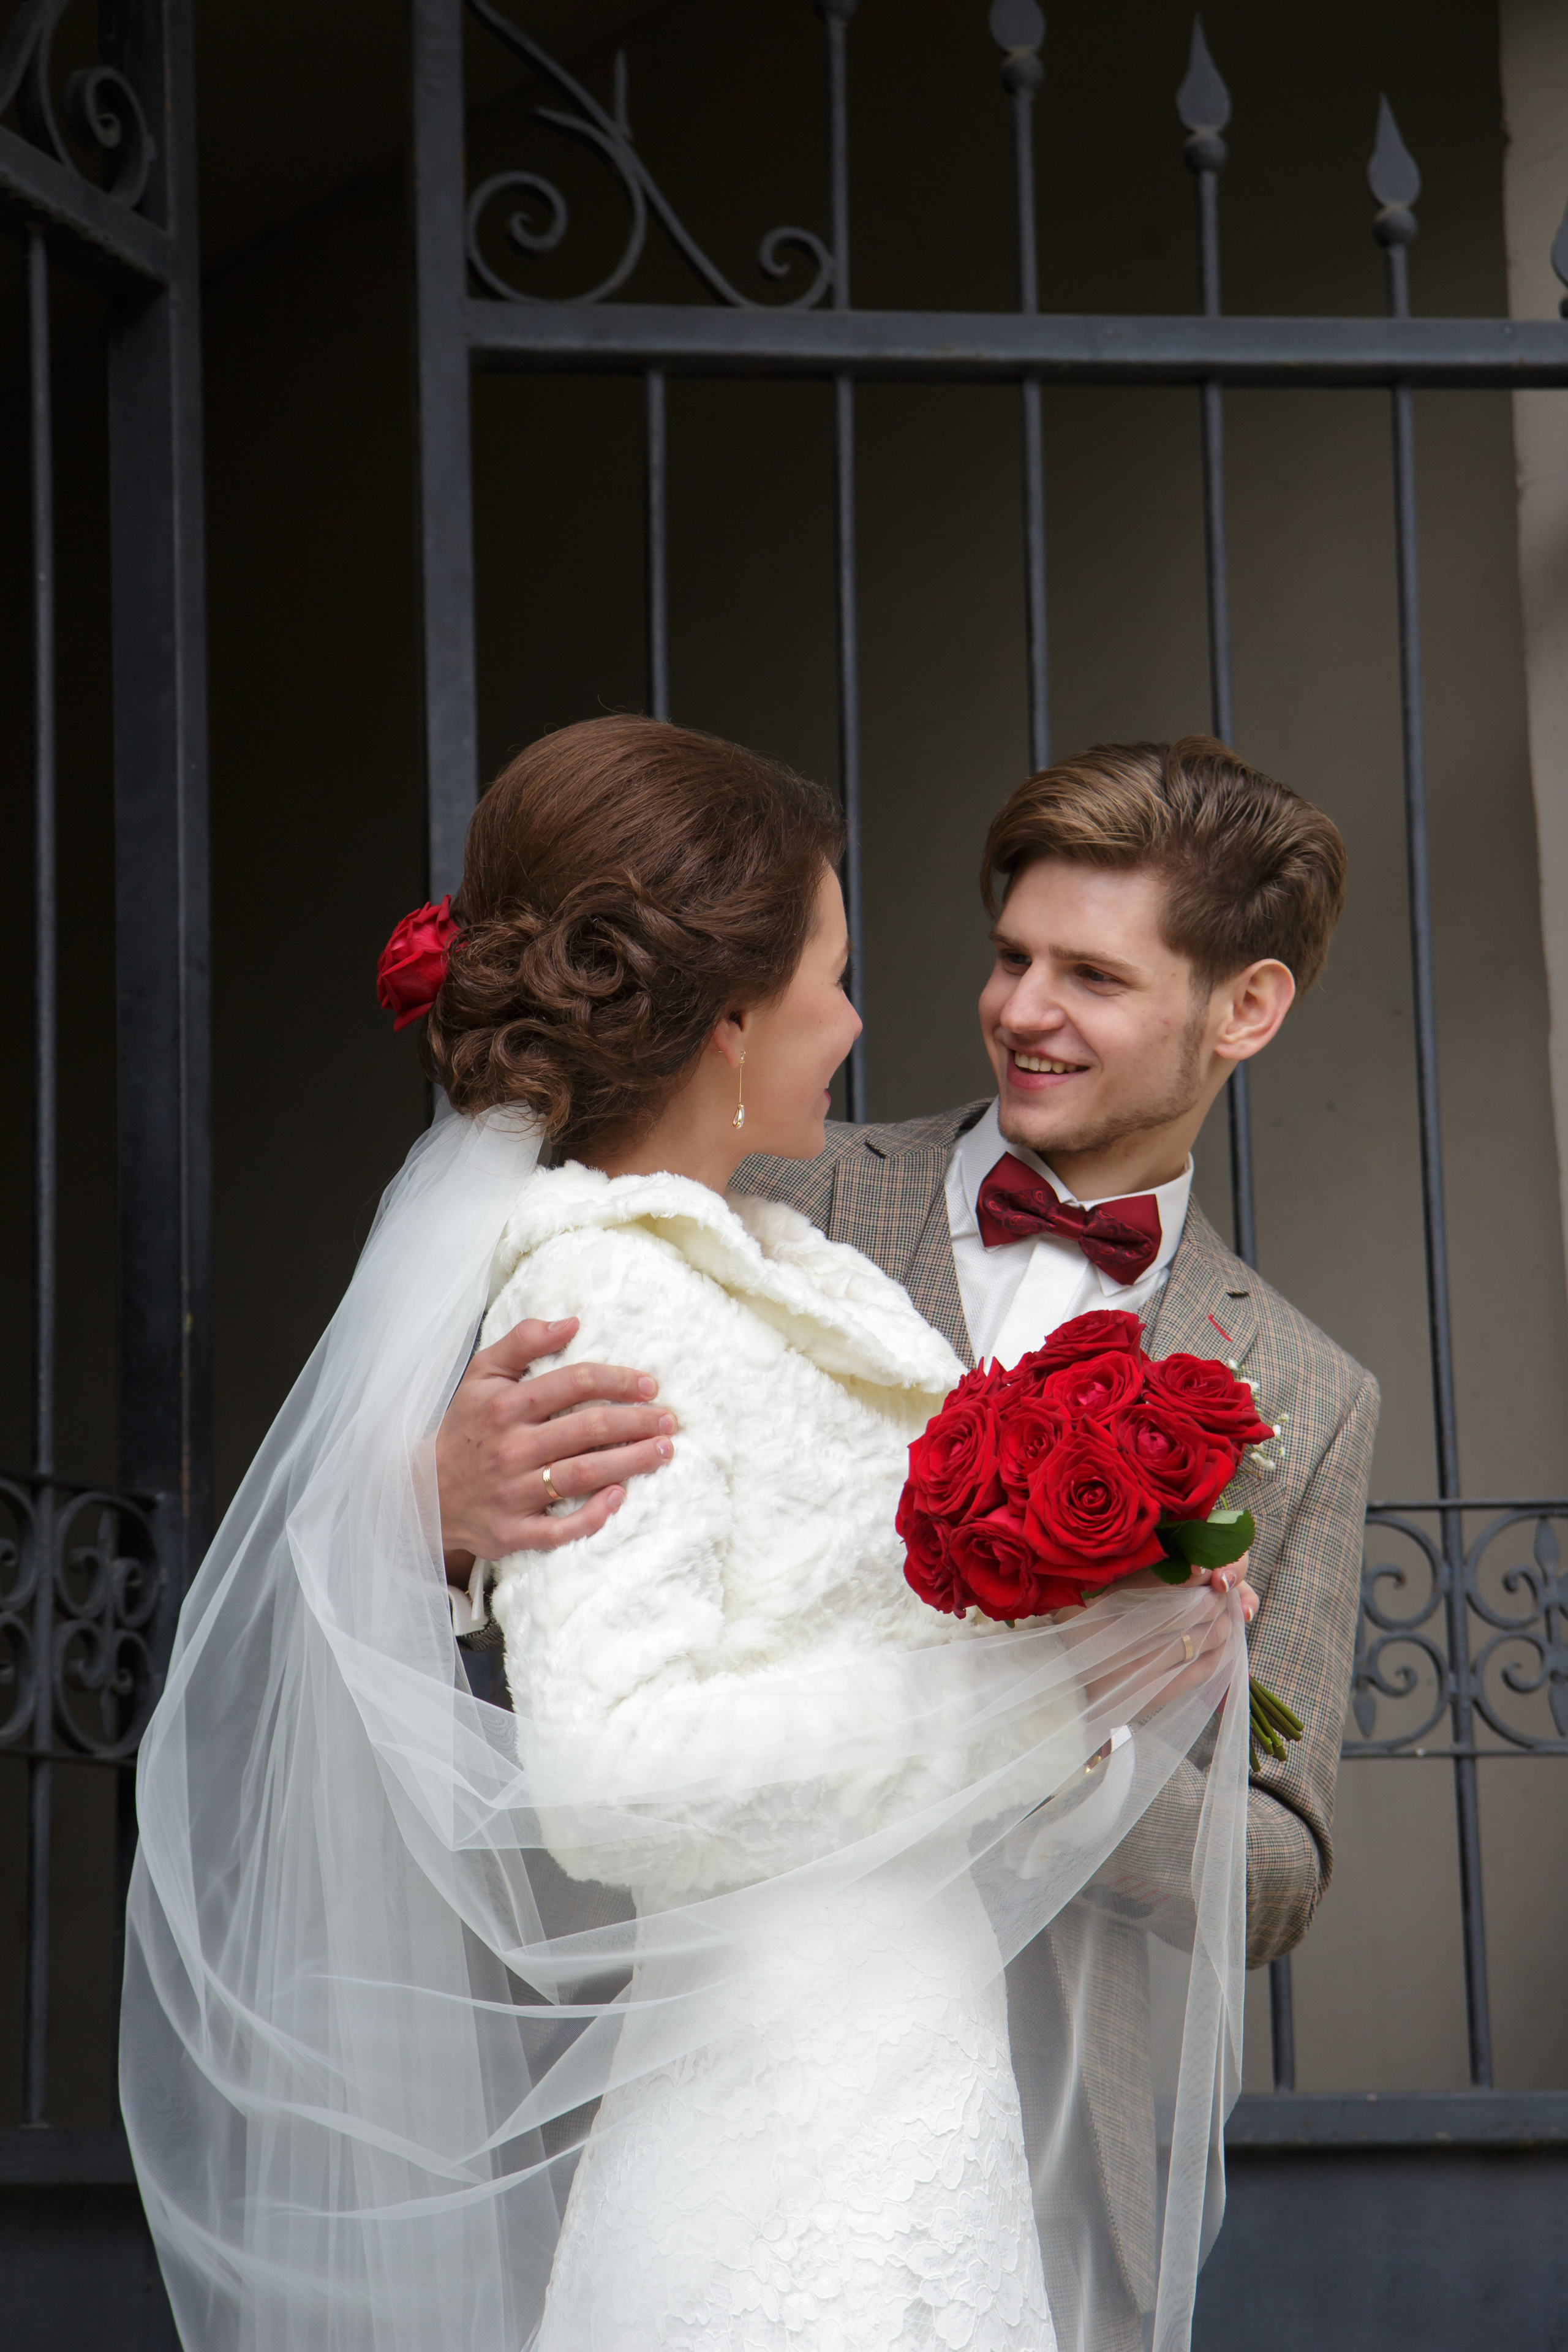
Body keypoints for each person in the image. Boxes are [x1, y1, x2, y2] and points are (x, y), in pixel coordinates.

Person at [123, 717, 1254, 2352]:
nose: (865, 1021)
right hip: (779, 2125)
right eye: (834, 972)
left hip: (914, 2081)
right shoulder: (613, 1291)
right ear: (731, 1018)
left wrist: (1137, 1610)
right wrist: (1030, 1701)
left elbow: (890, 1606)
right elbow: (620, 1772)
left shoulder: (808, 1270)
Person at [437, 732, 1379, 2350]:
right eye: (1011, 956)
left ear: (1247, 1010)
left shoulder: (1302, 1388)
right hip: (731, 2055)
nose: (1021, 1008)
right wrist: (436, 1522)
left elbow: (1280, 1866)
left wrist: (1115, 1732)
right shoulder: (760, 1193)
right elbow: (586, 1607)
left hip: (1056, 2124)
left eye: (1091, 975)